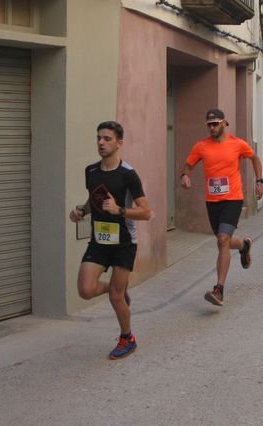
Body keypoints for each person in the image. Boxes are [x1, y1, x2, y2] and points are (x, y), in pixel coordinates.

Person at [68, 121, 153, 360]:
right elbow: (93, 199)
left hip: (124, 242)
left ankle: (127, 338)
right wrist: (81, 211)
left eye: (107, 138)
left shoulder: (128, 174)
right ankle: (117, 289)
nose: (101, 142)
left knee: (115, 298)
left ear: (119, 143)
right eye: (98, 138)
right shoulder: (91, 171)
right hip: (99, 239)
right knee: (85, 290)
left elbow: (146, 212)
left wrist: (120, 210)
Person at [181, 108, 263, 305]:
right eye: (209, 125)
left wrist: (259, 181)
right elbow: (189, 165)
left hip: (233, 198)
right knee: (223, 241)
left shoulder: (237, 144)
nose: (212, 127)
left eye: (215, 124)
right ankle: (244, 246)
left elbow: (254, 158)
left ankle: (219, 289)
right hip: (212, 201)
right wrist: (185, 176)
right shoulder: (201, 146)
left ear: (224, 123)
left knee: (222, 239)